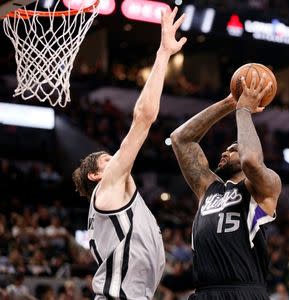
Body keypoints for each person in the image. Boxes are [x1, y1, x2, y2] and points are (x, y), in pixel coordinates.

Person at [71, 7, 187, 299]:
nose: (118, 159)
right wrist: (163, 54)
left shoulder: (116, 201)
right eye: (108, 159)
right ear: (97, 175)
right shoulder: (108, 188)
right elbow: (143, 117)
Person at [171, 72, 282, 299]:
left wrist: (244, 110)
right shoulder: (208, 188)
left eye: (233, 149)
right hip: (204, 293)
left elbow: (251, 160)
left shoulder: (264, 188)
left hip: (244, 292)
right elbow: (180, 139)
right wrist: (230, 103)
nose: (225, 152)